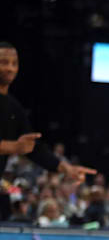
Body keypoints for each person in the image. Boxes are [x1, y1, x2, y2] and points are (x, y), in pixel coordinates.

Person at [0, 41, 95, 219]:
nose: (10, 68)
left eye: (14, 63)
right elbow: (19, 147)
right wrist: (13, 147)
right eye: (4, 62)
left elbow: (32, 147)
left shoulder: (14, 107)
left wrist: (64, 168)